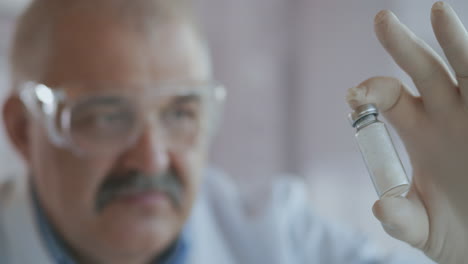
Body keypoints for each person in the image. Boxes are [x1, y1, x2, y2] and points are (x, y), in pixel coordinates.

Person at [0, 0, 466, 263]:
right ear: (23, 129)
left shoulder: (277, 239)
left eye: (181, 113)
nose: (152, 159)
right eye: (106, 116)